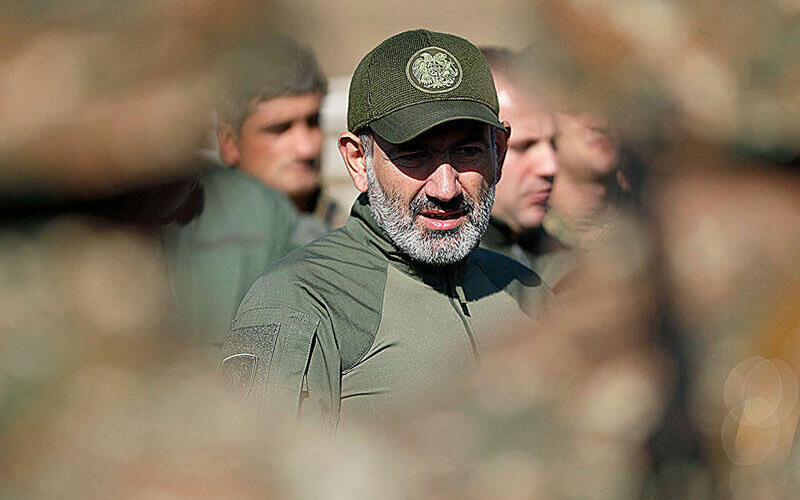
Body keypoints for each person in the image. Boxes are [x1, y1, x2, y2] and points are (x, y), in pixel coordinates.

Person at [221, 30, 554, 429]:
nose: (445, 189)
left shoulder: (524, 288)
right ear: (358, 160)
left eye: (468, 151)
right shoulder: (302, 300)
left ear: (498, 151)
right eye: (414, 155)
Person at [215, 34, 346, 241]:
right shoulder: (192, 243)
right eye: (280, 129)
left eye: (313, 122)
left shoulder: (353, 236)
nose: (306, 149)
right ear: (229, 143)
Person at [478, 48, 574, 289]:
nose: (550, 166)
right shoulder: (451, 280)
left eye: (554, 143)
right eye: (524, 146)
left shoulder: (577, 268)